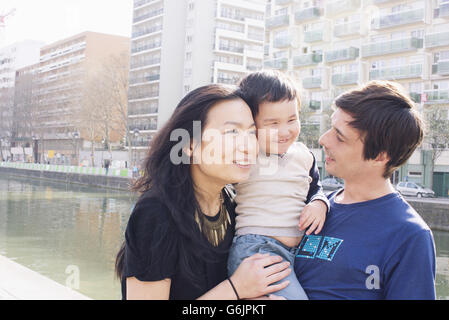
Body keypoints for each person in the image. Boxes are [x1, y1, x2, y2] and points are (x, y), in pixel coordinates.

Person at [115, 84, 291, 300]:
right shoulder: (156, 213)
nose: (249, 146)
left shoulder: (233, 206)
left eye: (252, 132)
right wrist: (235, 289)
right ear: (189, 145)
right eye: (232, 132)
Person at [294, 80, 436, 299]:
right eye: (331, 128)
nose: (324, 140)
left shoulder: (409, 235)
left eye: (340, 136)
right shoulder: (315, 206)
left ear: (380, 155)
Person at [227, 70, 329, 300]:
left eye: (292, 120)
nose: (285, 132)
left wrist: (320, 203)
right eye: (272, 124)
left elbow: (315, 189)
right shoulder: (247, 154)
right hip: (258, 250)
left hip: (297, 252)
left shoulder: (305, 155)